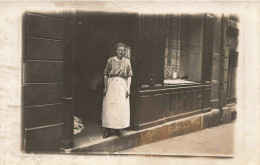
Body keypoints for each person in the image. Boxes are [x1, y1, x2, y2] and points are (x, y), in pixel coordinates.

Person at [102, 43, 133, 138]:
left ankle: (117, 129)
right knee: (110, 106)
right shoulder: (110, 60)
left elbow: (129, 76)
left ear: (125, 51)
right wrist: (106, 87)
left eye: (123, 50)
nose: (121, 52)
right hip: (112, 85)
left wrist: (128, 88)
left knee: (120, 107)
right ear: (116, 51)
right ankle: (108, 129)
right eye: (119, 50)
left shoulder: (127, 62)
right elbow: (106, 74)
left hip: (122, 85)